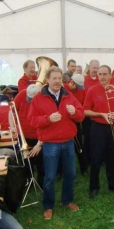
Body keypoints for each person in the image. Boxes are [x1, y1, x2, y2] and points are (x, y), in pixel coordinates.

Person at [28, 66, 85, 220]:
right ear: (47, 80)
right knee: (50, 178)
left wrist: (75, 113)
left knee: (71, 174)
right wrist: (47, 119)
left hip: (68, 142)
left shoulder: (69, 95)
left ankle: (66, 201)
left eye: (59, 78)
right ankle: (48, 206)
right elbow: (32, 120)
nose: (58, 81)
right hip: (50, 144)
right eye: (54, 78)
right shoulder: (39, 98)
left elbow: (81, 116)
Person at [84, 65, 114, 199]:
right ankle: (94, 187)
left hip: (113, 126)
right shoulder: (92, 90)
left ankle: (113, 185)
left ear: (110, 76)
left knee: (113, 157)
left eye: (104, 74)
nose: (101, 77)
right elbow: (85, 110)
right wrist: (101, 114)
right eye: (99, 74)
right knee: (96, 159)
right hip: (98, 128)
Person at [9, 84, 44, 188]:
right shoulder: (22, 94)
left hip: (38, 135)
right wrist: (13, 126)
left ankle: (41, 182)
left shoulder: (43, 98)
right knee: (27, 160)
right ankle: (29, 181)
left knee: (40, 161)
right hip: (24, 134)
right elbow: (12, 111)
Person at [64, 74, 88, 176]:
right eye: (77, 87)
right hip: (65, 122)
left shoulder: (82, 91)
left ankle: (84, 169)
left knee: (79, 146)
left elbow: (83, 105)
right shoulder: (63, 89)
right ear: (71, 82)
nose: (79, 89)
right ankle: (62, 171)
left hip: (76, 120)